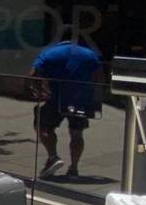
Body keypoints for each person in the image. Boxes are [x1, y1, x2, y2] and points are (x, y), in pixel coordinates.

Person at [30, 30, 103, 179]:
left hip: (56, 98)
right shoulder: (90, 55)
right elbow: (100, 78)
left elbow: (33, 73)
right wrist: (94, 98)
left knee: (43, 126)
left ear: (60, 40)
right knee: (77, 133)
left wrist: (38, 91)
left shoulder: (49, 53)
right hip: (81, 99)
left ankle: (53, 156)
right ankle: (74, 168)